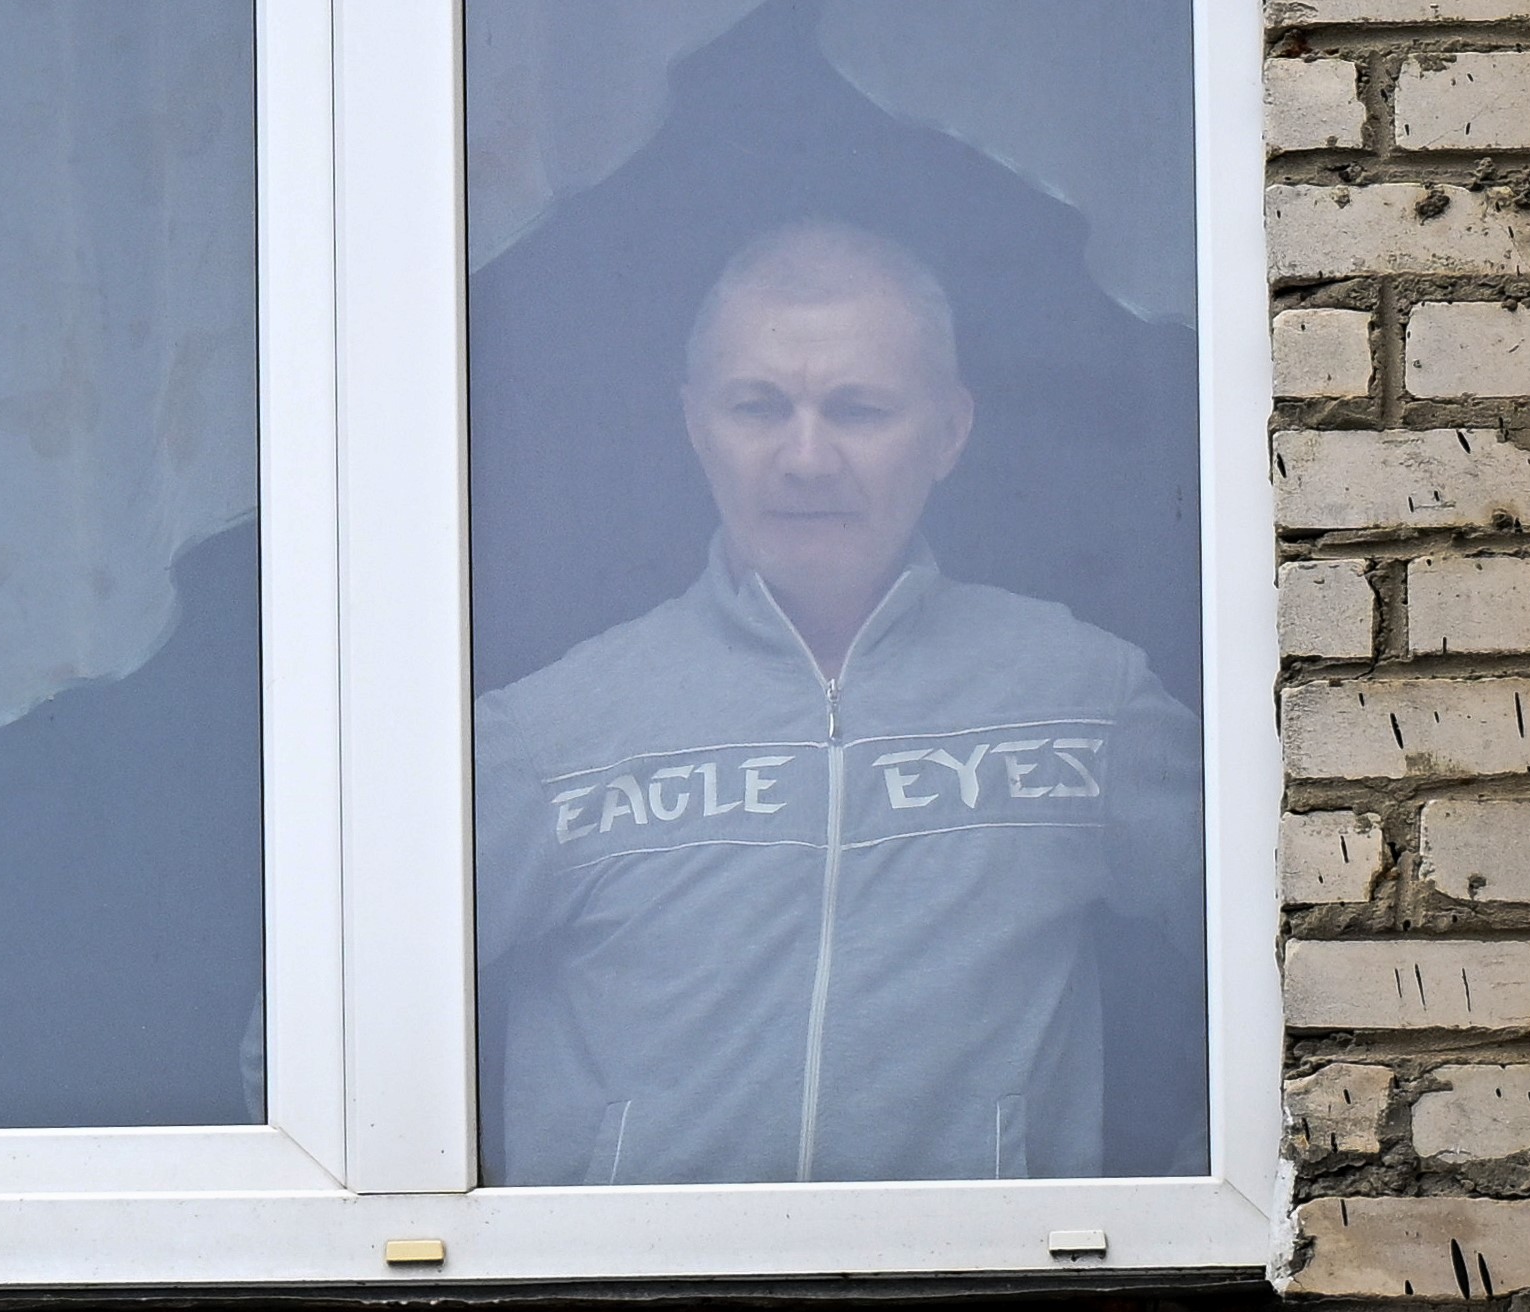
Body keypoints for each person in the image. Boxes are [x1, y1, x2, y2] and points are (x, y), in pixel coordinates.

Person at [473, 218, 1204, 1187]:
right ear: (694, 424)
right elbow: (336, 1029)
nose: (805, 457)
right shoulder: (548, 732)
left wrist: (1204, 1225)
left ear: (948, 431)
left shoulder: (1080, 697)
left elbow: (1289, 961)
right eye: (756, 406)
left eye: (855, 410)